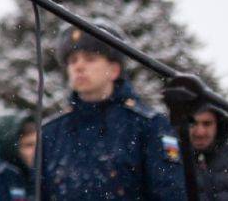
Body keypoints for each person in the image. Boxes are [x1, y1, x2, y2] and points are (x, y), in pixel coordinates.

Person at [40, 21, 186, 200]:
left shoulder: (147, 125)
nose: (78, 67)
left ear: (114, 69)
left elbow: (169, 192)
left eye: (90, 58)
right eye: (72, 61)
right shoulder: (51, 132)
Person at [0, 113, 37, 198]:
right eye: (29, 145)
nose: (36, 150)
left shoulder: (48, 179)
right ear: (10, 149)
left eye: (39, 144)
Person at [191, 104, 228, 200]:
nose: (200, 132)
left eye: (207, 124)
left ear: (218, 126)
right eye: (192, 123)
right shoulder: (171, 161)